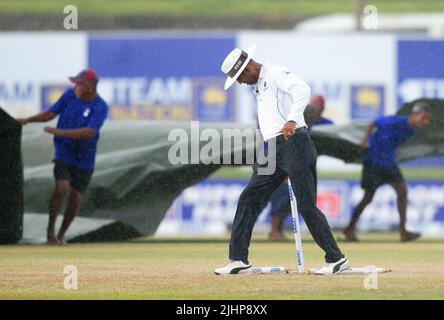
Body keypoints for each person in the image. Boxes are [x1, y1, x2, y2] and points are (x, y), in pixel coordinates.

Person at [215, 45, 348, 275]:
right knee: (248, 198)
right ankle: (238, 260)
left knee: (306, 205)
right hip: (272, 149)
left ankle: (336, 259)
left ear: (247, 68)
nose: (240, 83)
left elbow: (302, 89)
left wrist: (292, 120)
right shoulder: (258, 85)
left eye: (239, 77)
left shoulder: (274, 72)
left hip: (294, 142)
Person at [19, 69, 108, 245]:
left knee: (75, 197)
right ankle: (50, 232)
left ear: (90, 86)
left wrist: (58, 131)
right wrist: (27, 120)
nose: (76, 86)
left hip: (85, 157)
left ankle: (61, 234)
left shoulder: (100, 107)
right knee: (61, 187)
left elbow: (89, 132)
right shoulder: (69, 95)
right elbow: (50, 114)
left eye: (80, 83)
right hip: (64, 152)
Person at [343, 102, 432, 242]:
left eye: (428, 119)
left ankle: (403, 232)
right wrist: (365, 141)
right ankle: (349, 228)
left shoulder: (413, 130)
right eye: (424, 117)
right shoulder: (395, 121)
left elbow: (392, 142)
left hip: (389, 163)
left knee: (402, 192)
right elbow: (374, 123)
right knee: (368, 197)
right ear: (414, 115)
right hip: (373, 161)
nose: (426, 122)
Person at [268, 94, 333, 241]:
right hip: (282, 164)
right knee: (282, 197)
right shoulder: (290, 126)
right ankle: (274, 231)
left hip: (300, 165)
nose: (312, 116)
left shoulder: (319, 124)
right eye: (310, 114)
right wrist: (285, 172)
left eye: (315, 112)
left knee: (299, 199)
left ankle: (277, 231)